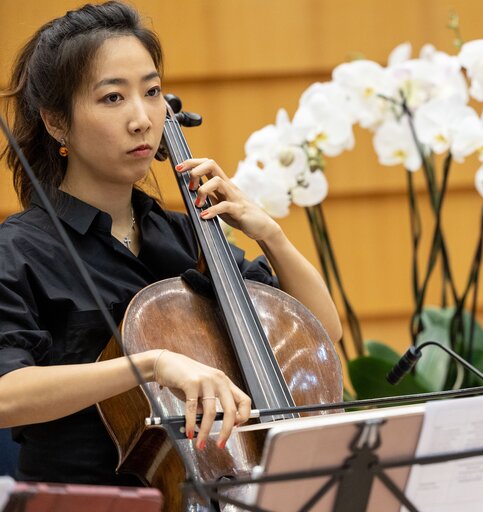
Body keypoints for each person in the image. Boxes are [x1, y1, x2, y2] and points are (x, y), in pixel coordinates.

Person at [0, 1, 342, 486]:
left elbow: (321, 335)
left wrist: (271, 234)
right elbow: (4, 393)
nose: (142, 118)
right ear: (56, 122)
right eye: (113, 98)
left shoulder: (188, 235)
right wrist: (149, 365)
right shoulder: (19, 253)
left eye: (152, 91)